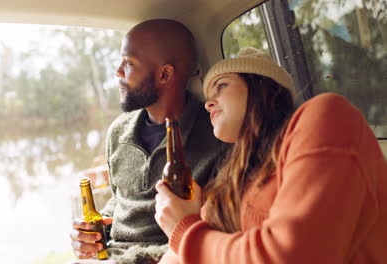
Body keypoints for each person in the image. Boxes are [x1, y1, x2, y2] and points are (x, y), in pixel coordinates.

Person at [155, 47, 387, 264]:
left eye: (221, 86)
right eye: (208, 95)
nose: (208, 104)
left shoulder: (327, 117)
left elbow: (293, 255)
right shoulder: (230, 183)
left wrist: (184, 230)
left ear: (260, 86)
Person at [70, 19, 228, 263]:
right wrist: (98, 228)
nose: (118, 72)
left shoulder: (217, 136)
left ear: (165, 73)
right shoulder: (118, 132)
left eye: (129, 63)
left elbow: (217, 227)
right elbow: (120, 198)